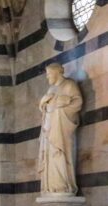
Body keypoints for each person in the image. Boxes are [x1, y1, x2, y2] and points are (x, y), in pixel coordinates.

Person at [38, 62, 82, 195]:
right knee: (50, 157)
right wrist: (43, 103)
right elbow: (45, 109)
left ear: (57, 73)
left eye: (49, 74)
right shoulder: (51, 89)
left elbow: (77, 103)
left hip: (60, 128)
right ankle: (51, 187)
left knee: (60, 154)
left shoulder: (69, 85)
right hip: (48, 129)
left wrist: (62, 103)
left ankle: (63, 186)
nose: (47, 77)